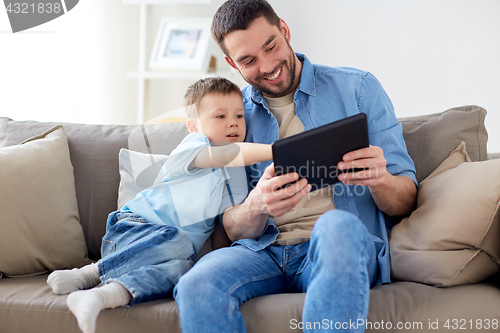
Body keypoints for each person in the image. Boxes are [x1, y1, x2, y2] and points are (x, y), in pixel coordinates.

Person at [173, 1, 418, 332]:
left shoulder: (357, 89)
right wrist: (256, 206)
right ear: (233, 64)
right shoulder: (233, 118)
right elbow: (227, 229)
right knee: (196, 284)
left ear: (285, 30)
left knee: (338, 226)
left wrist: (381, 180)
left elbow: (407, 199)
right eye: (248, 60)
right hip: (263, 252)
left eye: (271, 46)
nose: (267, 65)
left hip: (336, 245)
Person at [46, 77, 273, 333]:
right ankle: (90, 273)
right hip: (135, 229)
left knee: (184, 269)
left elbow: (222, 228)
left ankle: (100, 296)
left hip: (173, 252)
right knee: (177, 240)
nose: (233, 122)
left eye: (240, 116)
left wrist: (216, 262)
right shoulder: (194, 147)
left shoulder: (238, 178)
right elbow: (228, 155)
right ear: (193, 127)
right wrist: (276, 151)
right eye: (220, 116)